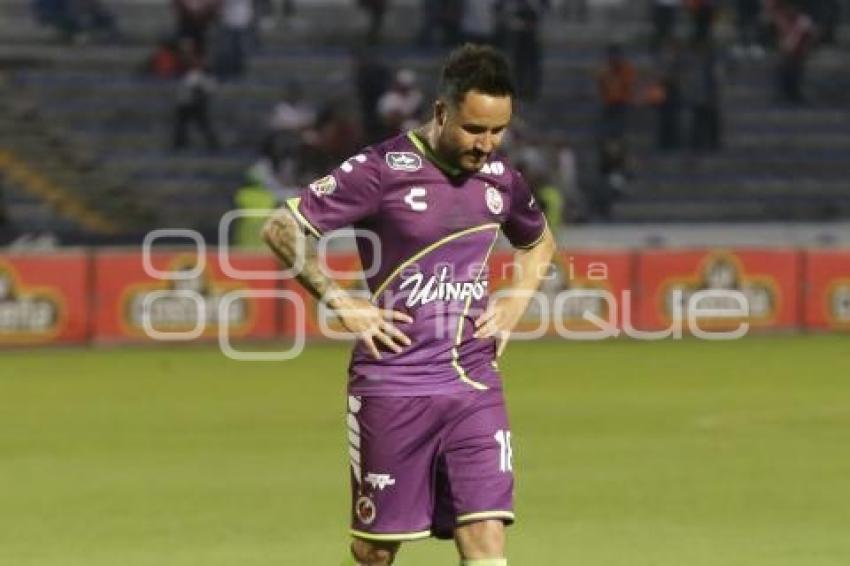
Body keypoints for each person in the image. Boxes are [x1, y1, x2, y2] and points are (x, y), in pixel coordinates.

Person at [262, 44, 556, 565]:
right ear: (442, 112)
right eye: (474, 129)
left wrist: (516, 300)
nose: (486, 144)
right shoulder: (380, 170)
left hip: (473, 381)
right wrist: (340, 301)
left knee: (486, 534)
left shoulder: (501, 181)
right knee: (375, 551)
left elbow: (538, 243)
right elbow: (281, 227)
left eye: (498, 130)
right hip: (394, 383)